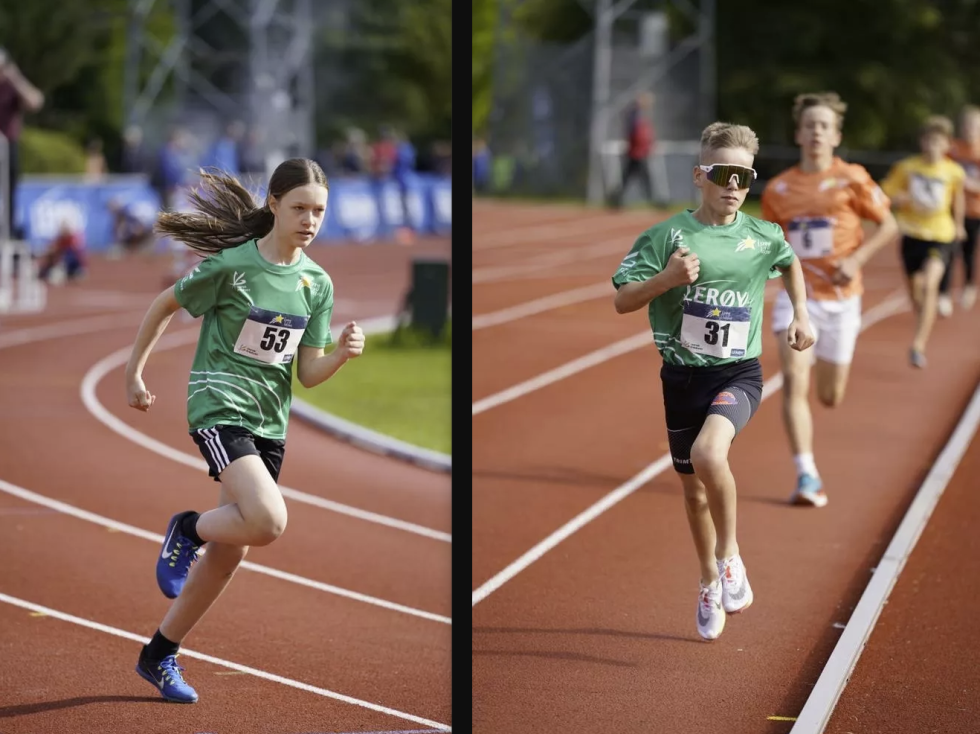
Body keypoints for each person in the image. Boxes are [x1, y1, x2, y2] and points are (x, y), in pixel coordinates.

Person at [123, 158, 366, 703]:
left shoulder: (316, 284)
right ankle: (187, 528)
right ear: (274, 205)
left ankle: (158, 653)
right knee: (268, 520)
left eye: (320, 212)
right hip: (218, 405)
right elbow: (166, 304)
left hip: (268, 423)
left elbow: (307, 373)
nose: (309, 220)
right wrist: (134, 372)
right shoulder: (233, 267)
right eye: (300, 207)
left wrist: (344, 356)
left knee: (233, 551)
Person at [611, 122, 814, 641]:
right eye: (723, 174)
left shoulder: (763, 235)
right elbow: (623, 299)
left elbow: (791, 266)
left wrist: (801, 316)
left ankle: (731, 556)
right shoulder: (667, 237)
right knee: (693, 492)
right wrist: (668, 280)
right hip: (681, 379)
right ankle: (707, 579)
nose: (734, 186)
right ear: (700, 175)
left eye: (745, 177)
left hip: (738, 373)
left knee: (708, 455)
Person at [760, 92, 898, 508]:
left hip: (843, 299)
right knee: (793, 381)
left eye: (824, 126)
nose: (816, 132)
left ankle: (829, 374)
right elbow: (768, 244)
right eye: (809, 125)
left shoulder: (853, 178)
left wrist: (856, 259)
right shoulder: (780, 188)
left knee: (830, 395)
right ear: (798, 134)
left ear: (835, 135)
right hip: (798, 298)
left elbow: (888, 224)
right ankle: (807, 474)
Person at [881, 115, 966, 368]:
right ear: (922, 142)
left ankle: (918, 344)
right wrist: (899, 198)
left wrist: (959, 224)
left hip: (940, 235)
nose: (932, 146)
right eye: (928, 140)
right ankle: (924, 315)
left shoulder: (953, 171)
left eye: (938, 141)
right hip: (911, 234)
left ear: (947, 144)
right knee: (916, 290)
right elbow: (886, 192)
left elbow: (957, 198)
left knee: (930, 284)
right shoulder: (907, 167)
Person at [939, 105, 980, 315]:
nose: (970, 129)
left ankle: (969, 285)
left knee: (969, 251)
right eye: (966, 125)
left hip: (975, 210)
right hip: (952, 209)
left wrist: (968, 184)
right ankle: (943, 292)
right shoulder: (953, 149)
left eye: (974, 125)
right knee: (948, 250)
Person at [0, 47, 44, 240]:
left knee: (10, 191)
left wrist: (16, 78)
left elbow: (36, 102)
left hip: (8, 146)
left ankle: (8, 233)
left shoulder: (12, 86)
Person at [609, 92, 657, 209]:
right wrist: (640, 145)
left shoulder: (640, 115)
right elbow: (635, 133)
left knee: (630, 177)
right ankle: (653, 199)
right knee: (642, 177)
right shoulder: (635, 114)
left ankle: (615, 198)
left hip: (638, 151)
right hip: (636, 152)